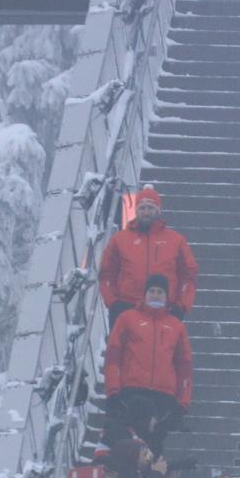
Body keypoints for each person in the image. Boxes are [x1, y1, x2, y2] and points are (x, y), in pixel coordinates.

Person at [104, 273, 192, 455]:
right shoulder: (127, 319)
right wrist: (113, 390)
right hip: (131, 392)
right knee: (127, 444)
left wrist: (182, 403)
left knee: (153, 449)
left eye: (160, 292)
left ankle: (152, 472)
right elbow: (113, 357)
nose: (155, 295)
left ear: (167, 296)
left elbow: (184, 368)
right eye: (152, 291)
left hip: (163, 397)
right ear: (144, 294)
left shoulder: (176, 326)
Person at [99, 185, 199, 319]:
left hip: (165, 312)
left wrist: (181, 305)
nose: (146, 212)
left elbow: (188, 275)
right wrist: (113, 303)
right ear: (136, 211)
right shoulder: (119, 239)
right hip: (126, 310)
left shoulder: (176, 240)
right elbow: (106, 273)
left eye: (150, 208)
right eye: (142, 208)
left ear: (158, 210)